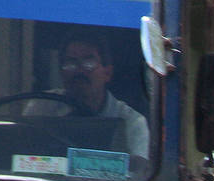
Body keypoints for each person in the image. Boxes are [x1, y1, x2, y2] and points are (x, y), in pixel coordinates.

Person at [24, 31, 148, 159]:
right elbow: (24, 154)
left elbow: (138, 167)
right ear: (61, 73)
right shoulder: (41, 108)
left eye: (89, 63)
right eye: (70, 63)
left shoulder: (132, 123)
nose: (79, 70)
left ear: (107, 73)